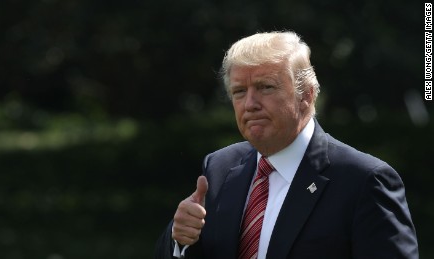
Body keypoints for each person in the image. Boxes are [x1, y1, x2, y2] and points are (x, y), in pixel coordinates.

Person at [155, 31, 418, 259]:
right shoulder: (219, 167)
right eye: (239, 92)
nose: (250, 104)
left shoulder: (364, 180)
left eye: (265, 87)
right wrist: (179, 239)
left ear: (306, 95)